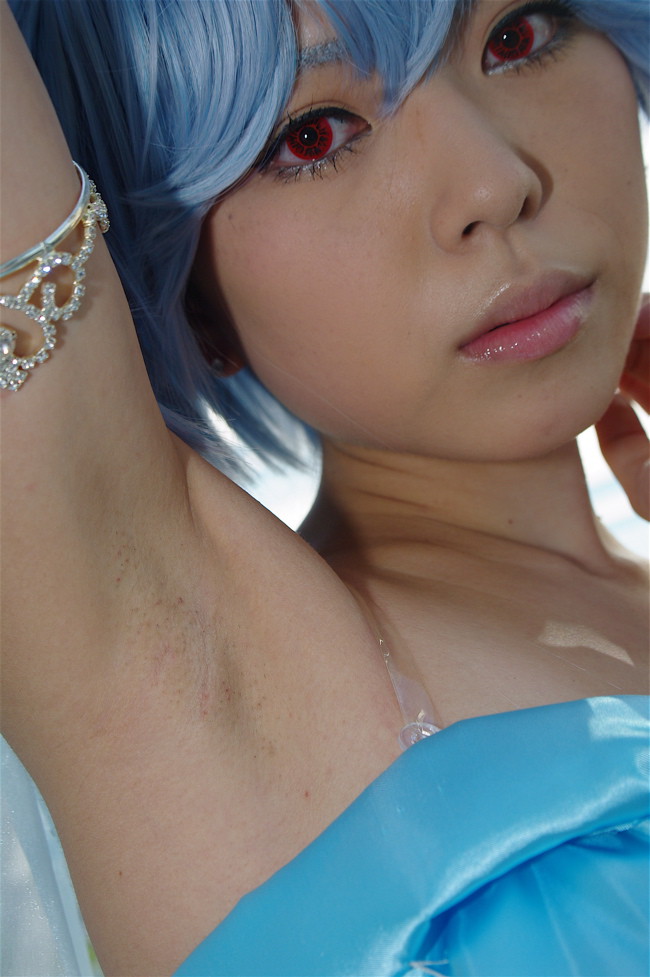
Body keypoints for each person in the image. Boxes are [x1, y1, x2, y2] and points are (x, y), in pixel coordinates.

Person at [1, 0, 648, 974]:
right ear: (184, 290)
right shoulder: (192, 668)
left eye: (515, 37)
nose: (496, 182)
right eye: (313, 137)